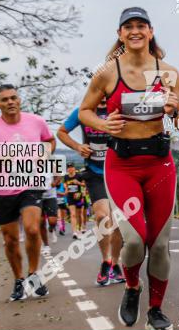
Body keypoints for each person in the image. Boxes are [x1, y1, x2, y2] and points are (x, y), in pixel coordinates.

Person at [80, 6, 179, 330]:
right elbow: (84, 111)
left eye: (141, 25)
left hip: (160, 165)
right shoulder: (107, 73)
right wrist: (102, 122)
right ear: (120, 34)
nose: (135, 30)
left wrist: (174, 110)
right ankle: (131, 288)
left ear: (151, 30)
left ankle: (156, 311)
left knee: (159, 244)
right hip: (122, 166)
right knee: (133, 242)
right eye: (128, 26)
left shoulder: (169, 73)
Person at [0, 84, 54, 301]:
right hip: (3, 189)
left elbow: (49, 140)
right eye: (5, 100)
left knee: (31, 229)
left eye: (13, 98)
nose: (10, 102)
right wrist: (2, 157)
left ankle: (34, 274)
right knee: (10, 239)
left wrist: (44, 154)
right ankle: (19, 279)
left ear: (19, 100)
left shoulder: (36, 121)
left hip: (31, 184)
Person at [58, 96, 125, 285]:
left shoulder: (118, 108)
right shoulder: (84, 110)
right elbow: (61, 132)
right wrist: (78, 146)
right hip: (95, 173)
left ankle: (116, 263)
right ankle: (106, 261)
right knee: (102, 217)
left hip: (118, 171)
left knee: (117, 221)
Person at [39, 175, 61, 256]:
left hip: (51, 196)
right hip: (38, 197)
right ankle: (46, 245)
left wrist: (54, 183)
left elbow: (58, 176)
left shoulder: (52, 164)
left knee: (52, 221)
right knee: (41, 222)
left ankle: (51, 228)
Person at [64, 164, 87, 239]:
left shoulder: (79, 175)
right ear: (67, 169)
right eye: (68, 168)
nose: (70, 169)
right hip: (70, 197)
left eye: (71, 167)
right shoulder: (66, 177)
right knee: (73, 214)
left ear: (74, 168)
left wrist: (78, 183)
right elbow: (65, 185)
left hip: (78, 196)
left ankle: (80, 229)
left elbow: (84, 184)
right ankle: (74, 231)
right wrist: (66, 189)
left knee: (79, 214)